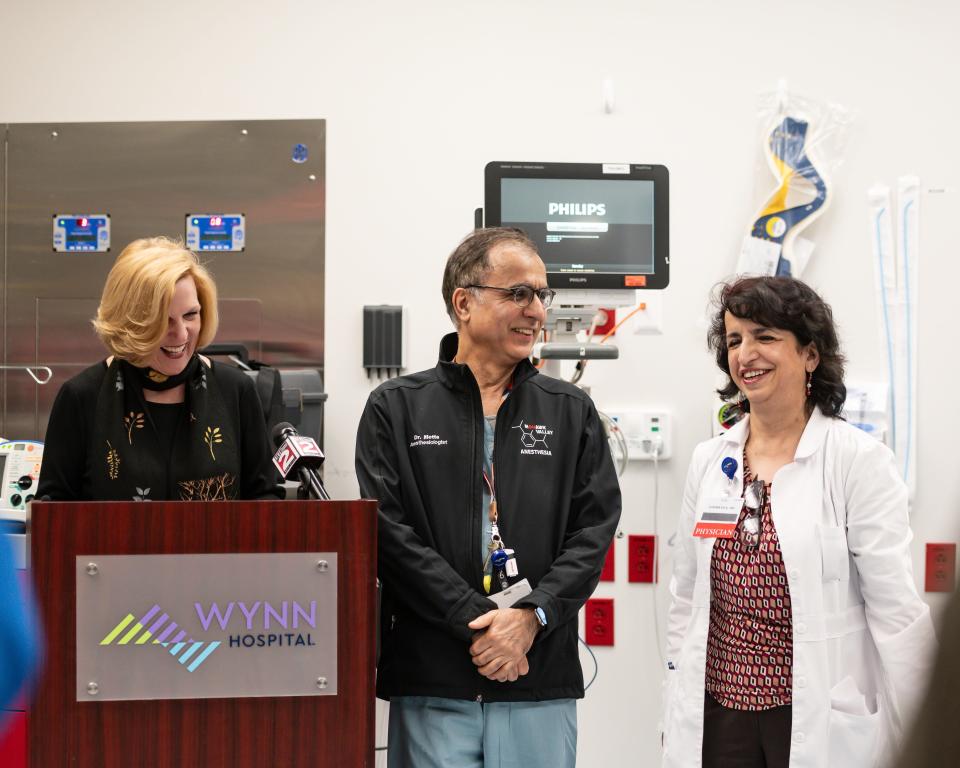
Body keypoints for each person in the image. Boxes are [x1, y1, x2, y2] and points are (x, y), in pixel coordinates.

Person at [355, 227, 621, 768]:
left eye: (541, 295)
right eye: (517, 294)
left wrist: (530, 619)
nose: (536, 311)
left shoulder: (570, 412)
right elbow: (389, 534)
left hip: (536, 679)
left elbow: (593, 534)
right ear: (464, 303)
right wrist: (479, 622)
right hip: (435, 682)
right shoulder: (396, 408)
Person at [662, 276, 935, 768]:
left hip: (812, 713)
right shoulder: (710, 460)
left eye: (765, 336)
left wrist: (934, 731)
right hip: (718, 715)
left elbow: (896, 611)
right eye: (734, 340)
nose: (746, 354)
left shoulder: (857, 461)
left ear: (810, 354)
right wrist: (674, 689)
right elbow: (686, 595)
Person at [37, 237, 283, 501]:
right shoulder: (82, 397)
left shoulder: (235, 390)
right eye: (163, 321)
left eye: (190, 315)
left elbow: (265, 502)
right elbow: (53, 518)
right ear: (129, 324)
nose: (181, 334)